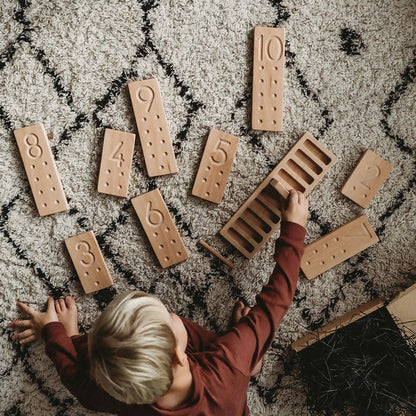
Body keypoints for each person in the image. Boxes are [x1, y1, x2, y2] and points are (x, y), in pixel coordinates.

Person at [9, 190, 308, 415]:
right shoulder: (227, 364)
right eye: (168, 316)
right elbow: (277, 300)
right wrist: (294, 229)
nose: (171, 312)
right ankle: (253, 364)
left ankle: (82, 342)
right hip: (228, 393)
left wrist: (58, 333)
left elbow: (78, 381)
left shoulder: (117, 396)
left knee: (97, 353)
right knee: (247, 355)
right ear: (179, 357)